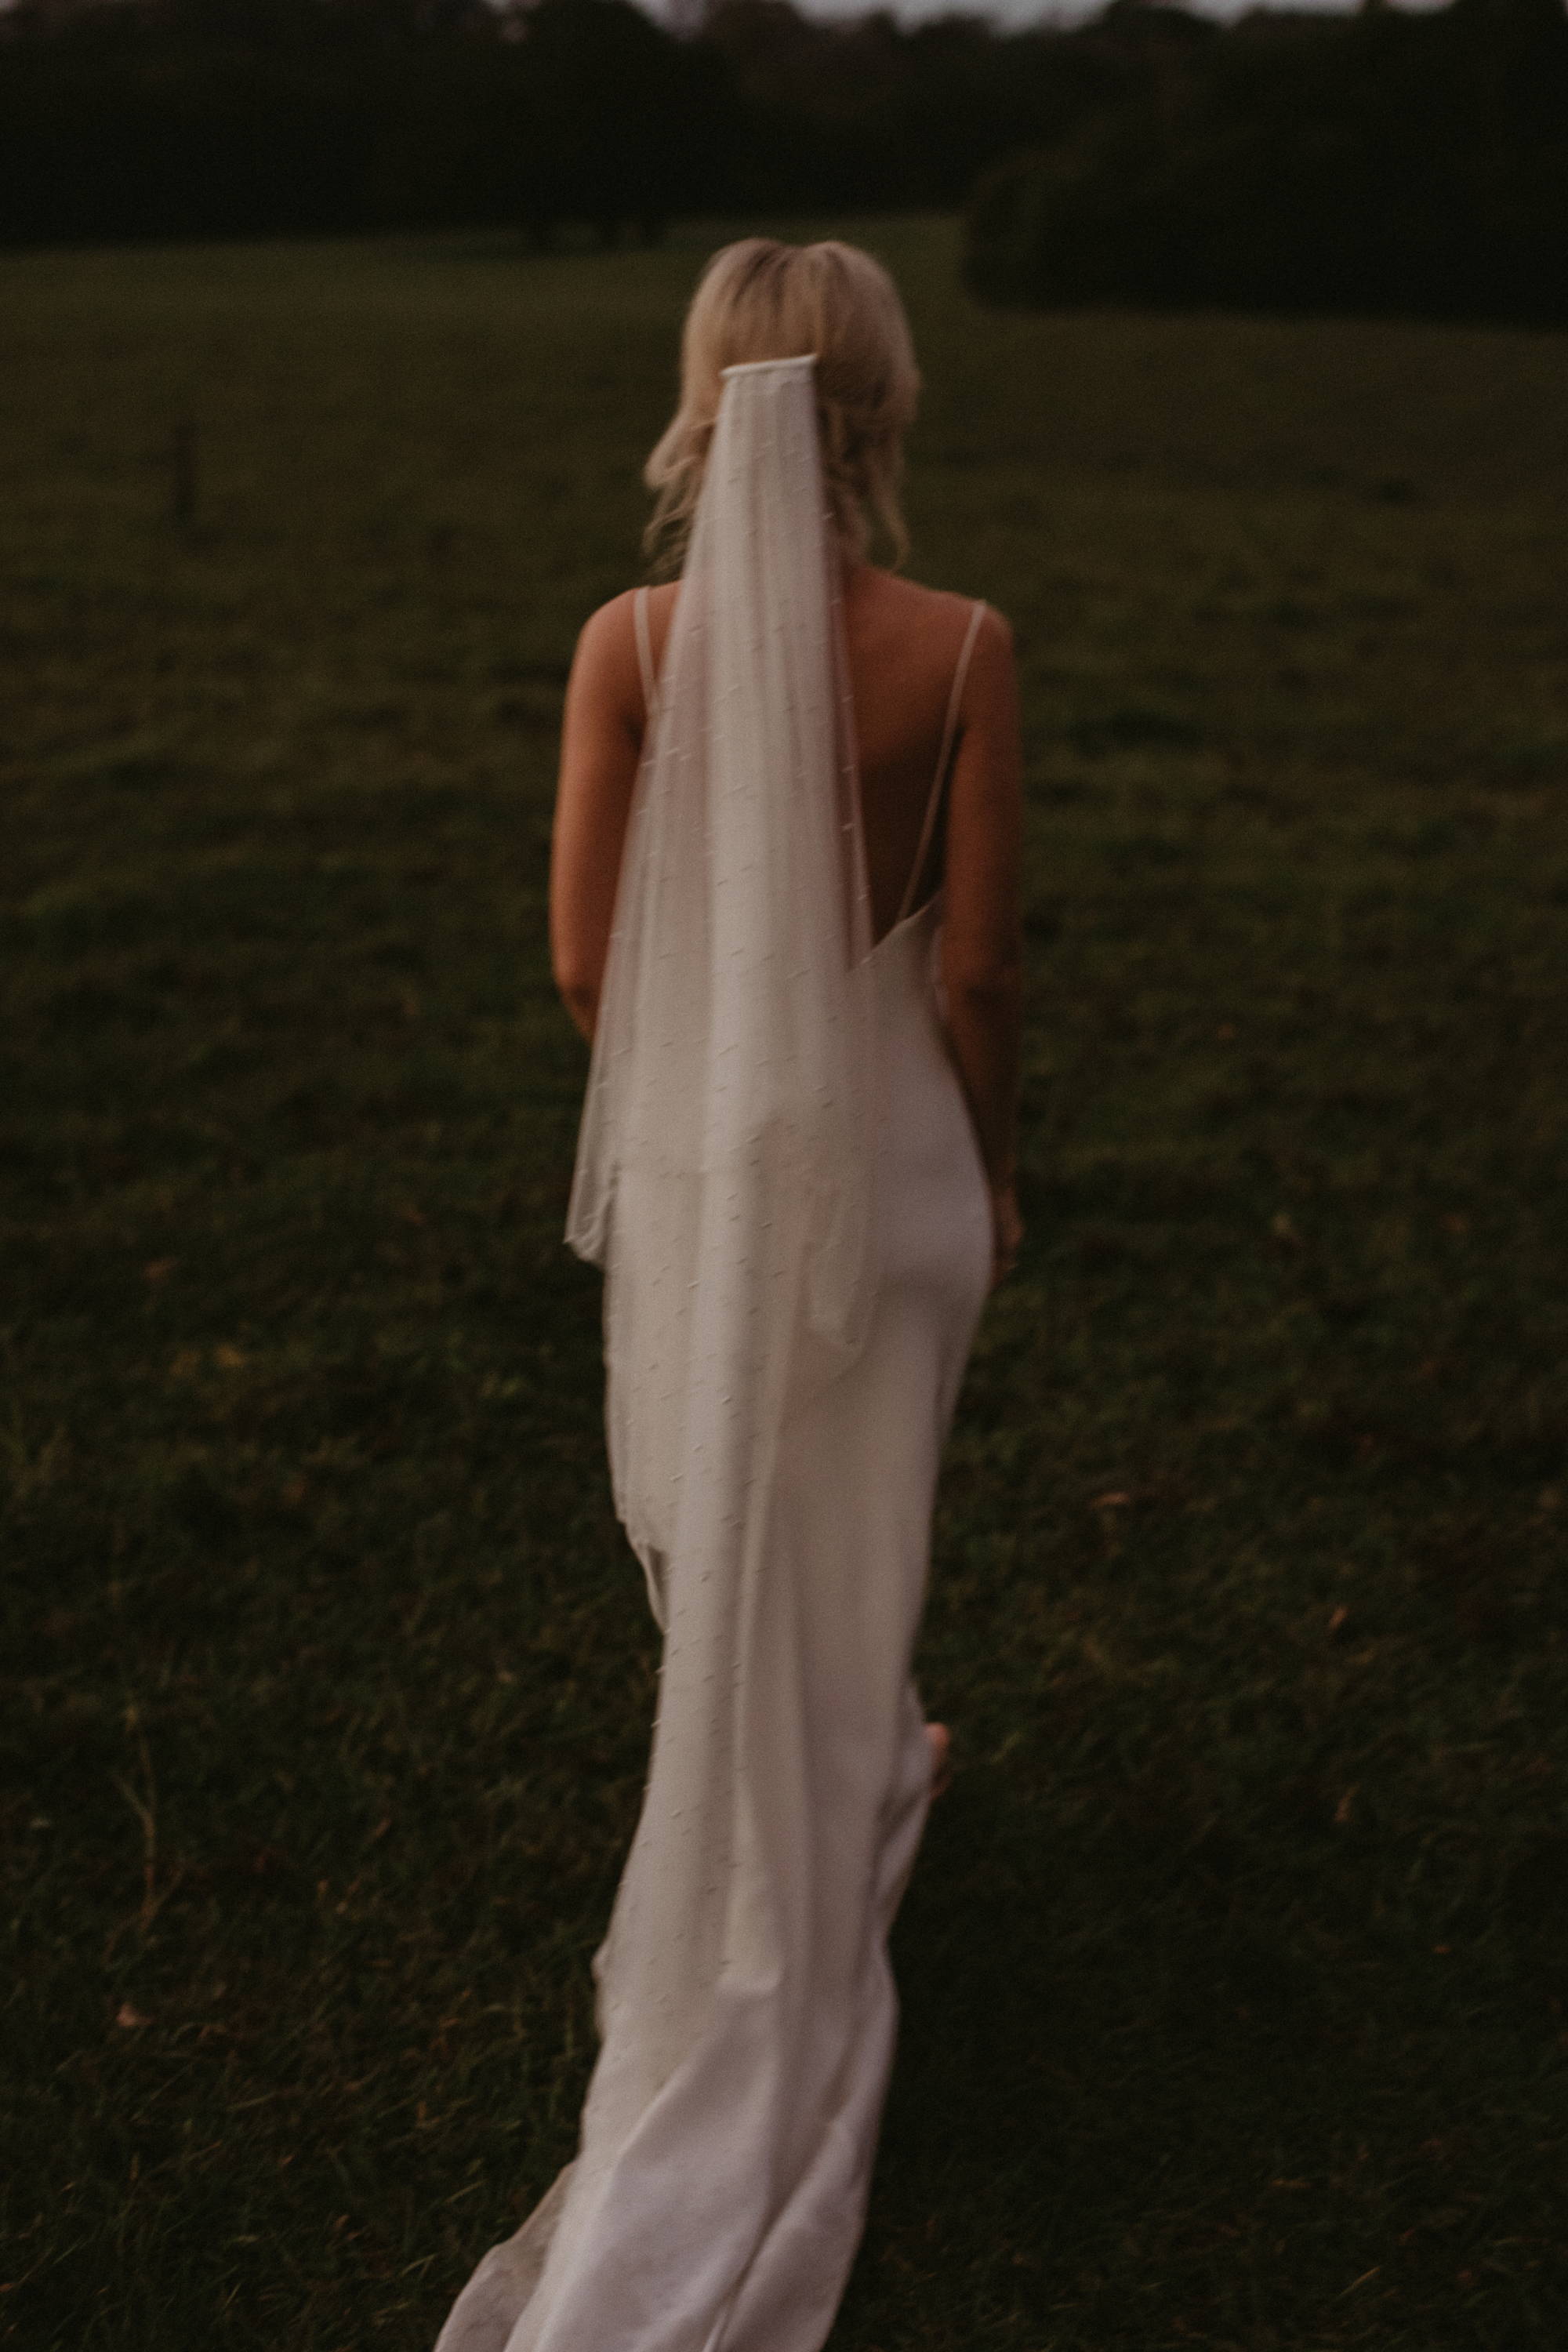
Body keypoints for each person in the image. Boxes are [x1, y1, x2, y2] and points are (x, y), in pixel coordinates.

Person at [432, 238, 1023, 2352]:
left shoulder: (628, 640)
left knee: (732, 1519)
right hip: (902, 1180)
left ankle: (785, 1806)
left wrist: (709, 1111)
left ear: (711, 392)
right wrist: (992, 1169)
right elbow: (976, 974)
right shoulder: (962, 644)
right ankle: (850, 1764)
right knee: (863, 1533)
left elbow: (588, 965)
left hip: (704, 1160)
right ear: (884, 400)